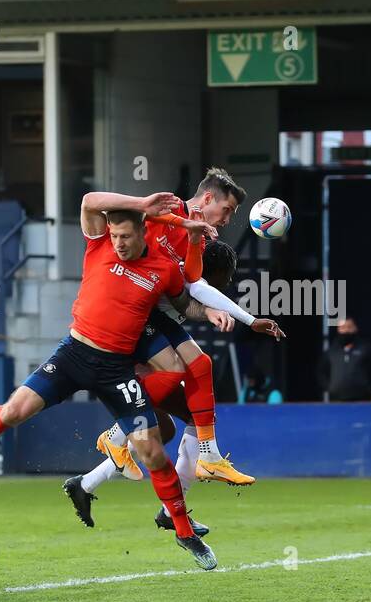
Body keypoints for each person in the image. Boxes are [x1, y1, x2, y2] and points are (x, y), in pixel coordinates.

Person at [0, 189, 243, 570]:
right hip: (74, 354)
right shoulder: (98, 245)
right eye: (115, 236)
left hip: (117, 370)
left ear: (143, 234)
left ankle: (184, 533)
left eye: (126, 237)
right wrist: (141, 204)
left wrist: (207, 312)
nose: (119, 243)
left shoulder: (163, 268)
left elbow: (182, 303)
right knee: (13, 411)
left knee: (154, 452)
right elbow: (90, 200)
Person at [63, 240, 285, 530]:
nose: (228, 283)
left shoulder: (185, 283)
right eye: (227, 276)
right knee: (187, 373)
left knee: (173, 426)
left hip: (142, 358)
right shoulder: (185, 276)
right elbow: (202, 288)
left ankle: (87, 484)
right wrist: (251, 319)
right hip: (126, 355)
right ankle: (119, 437)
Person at [93, 168, 264, 487]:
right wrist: (145, 205)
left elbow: (194, 281)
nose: (227, 220)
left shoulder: (193, 235)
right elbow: (98, 205)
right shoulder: (164, 210)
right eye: (226, 210)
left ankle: (208, 458)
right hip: (125, 310)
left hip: (151, 315)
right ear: (208, 198)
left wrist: (195, 237)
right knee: (173, 381)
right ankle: (117, 436)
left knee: (198, 368)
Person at [318, 317, 371, 402]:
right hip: (337, 399)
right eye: (343, 327)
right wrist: (330, 388)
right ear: (338, 329)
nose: (346, 330)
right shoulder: (331, 352)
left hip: (362, 398)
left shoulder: (366, 349)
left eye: (349, 327)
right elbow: (321, 372)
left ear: (355, 328)